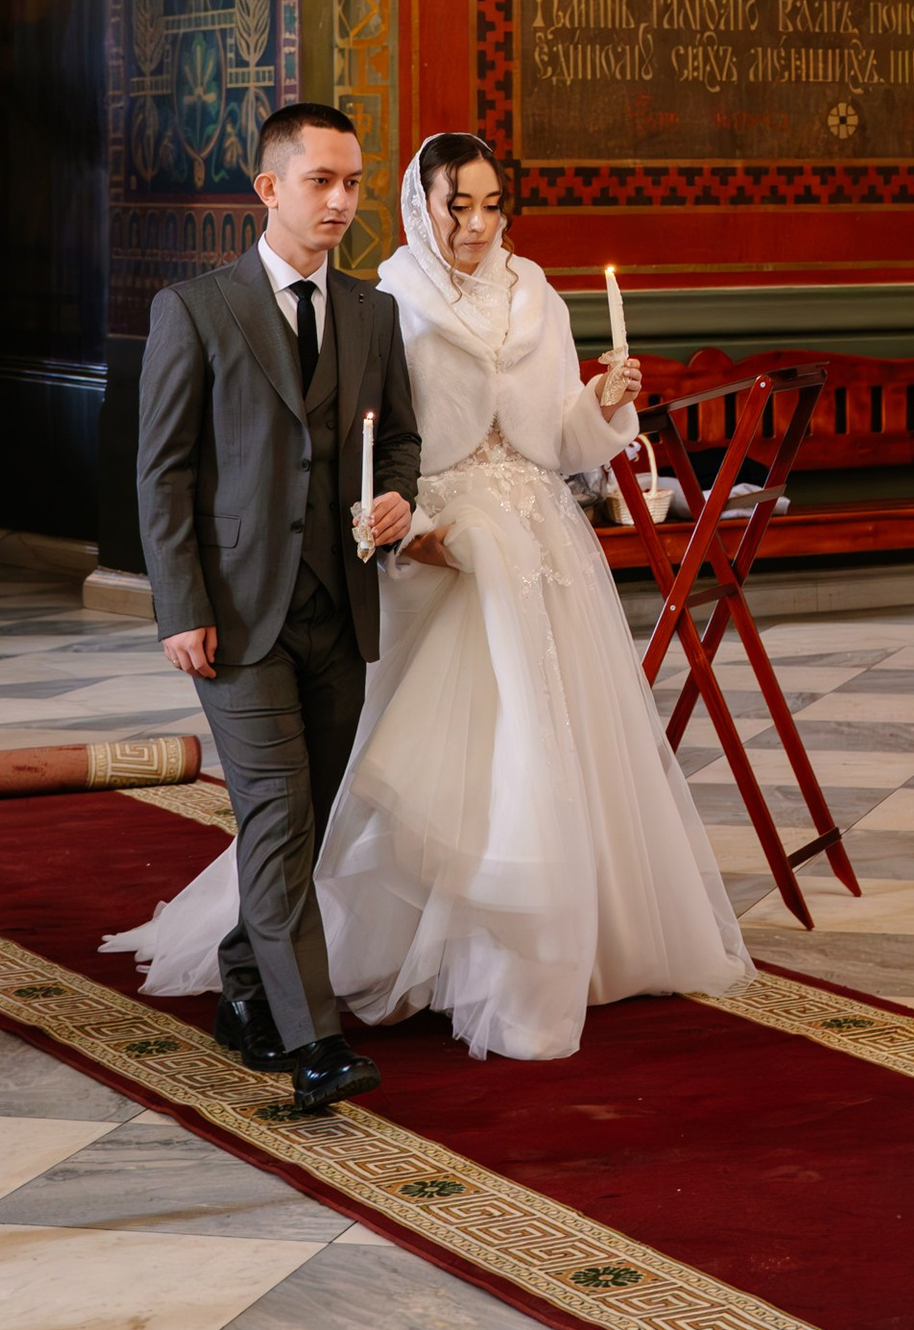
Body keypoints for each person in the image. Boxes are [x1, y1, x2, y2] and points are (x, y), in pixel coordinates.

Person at [113, 133, 748, 1059]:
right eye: (460, 206)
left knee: (547, 747)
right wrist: (409, 525)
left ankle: (540, 950)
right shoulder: (389, 298)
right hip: (433, 547)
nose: (478, 225)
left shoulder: (534, 291)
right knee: (377, 778)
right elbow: (368, 442)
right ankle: (341, 981)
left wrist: (606, 403)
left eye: (493, 205)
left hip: (535, 542)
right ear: (422, 205)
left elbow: (558, 439)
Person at [135, 104, 421, 1115]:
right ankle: (315, 1043)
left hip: (339, 608)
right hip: (235, 614)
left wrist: (399, 497)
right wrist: (180, 605)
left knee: (303, 822)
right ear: (269, 189)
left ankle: (246, 984)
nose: (342, 201)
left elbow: (398, 442)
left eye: (353, 182)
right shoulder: (196, 310)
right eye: (320, 181)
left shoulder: (373, 314)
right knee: (278, 811)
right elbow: (163, 472)